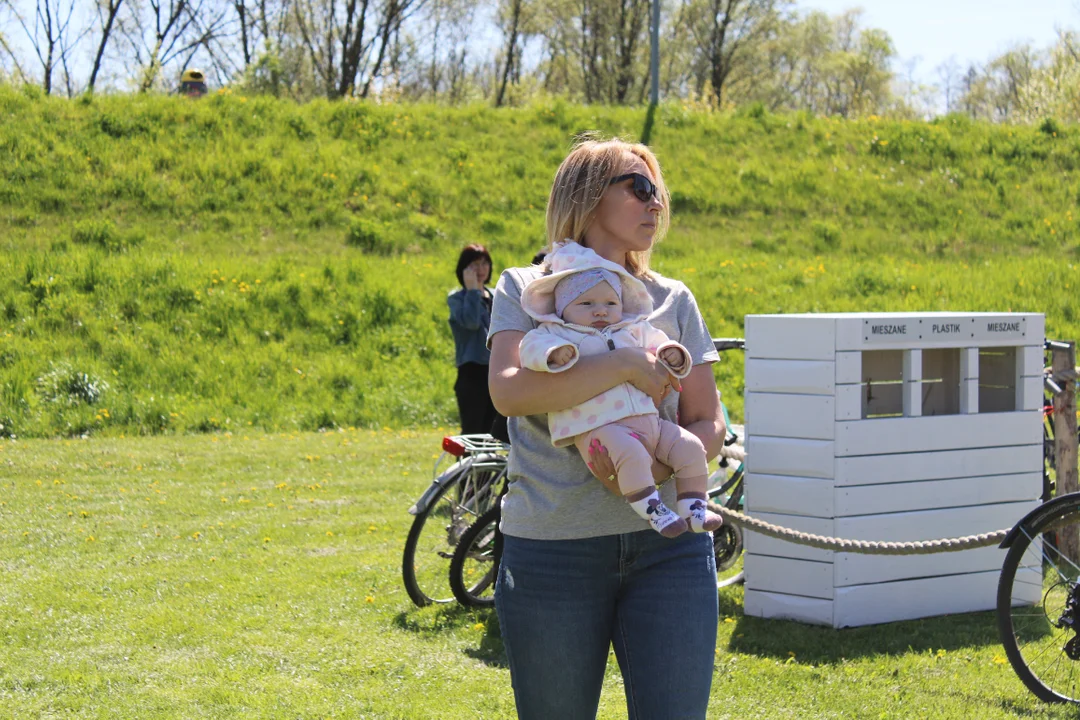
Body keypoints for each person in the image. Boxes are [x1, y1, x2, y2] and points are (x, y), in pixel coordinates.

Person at [488, 136, 725, 719]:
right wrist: (622, 364)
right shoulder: (527, 289)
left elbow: (708, 420)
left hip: (669, 554)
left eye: (659, 192)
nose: (655, 204)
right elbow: (510, 391)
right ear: (589, 197)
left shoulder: (672, 298)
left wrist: (653, 467)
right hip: (552, 552)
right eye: (639, 188)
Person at [517, 241, 724, 537]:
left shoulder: (633, 329)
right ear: (563, 309)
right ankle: (653, 509)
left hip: (649, 422)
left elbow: (658, 342)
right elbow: (529, 348)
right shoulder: (556, 332)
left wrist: (672, 353)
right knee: (631, 455)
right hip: (599, 429)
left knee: (690, 446)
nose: (600, 311)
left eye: (610, 303)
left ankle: (694, 507)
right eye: (586, 304)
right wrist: (553, 354)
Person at [448, 244, 498, 435]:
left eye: (485, 263)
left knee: (492, 431)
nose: (481, 268)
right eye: (475, 264)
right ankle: (466, 466)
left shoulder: (495, 295)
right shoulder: (457, 298)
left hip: (495, 370)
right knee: (472, 432)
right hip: (472, 372)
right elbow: (471, 323)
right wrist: (473, 292)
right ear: (464, 268)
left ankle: (488, 466)